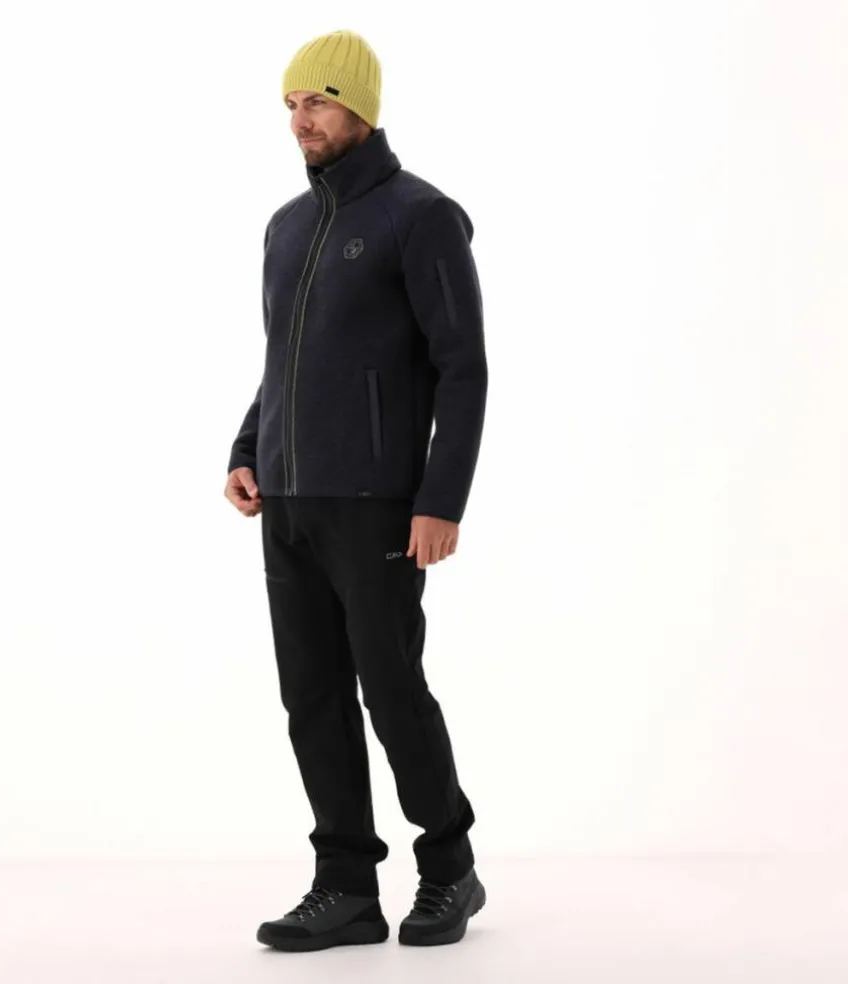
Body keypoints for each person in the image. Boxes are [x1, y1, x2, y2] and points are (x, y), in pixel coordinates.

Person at [224, 28, 488, 952]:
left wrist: (440, 499)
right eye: (292, 104)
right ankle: (344, 885)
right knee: (312, 697)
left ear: (362, 110)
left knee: (391, 688)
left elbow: (462, 367)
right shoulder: (287, 226)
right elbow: (283, 360)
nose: (302, 120)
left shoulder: (423, 216)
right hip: (289, 503)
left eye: (319, 102)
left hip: (378, 503)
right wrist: (249, 448)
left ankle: (449, 867)